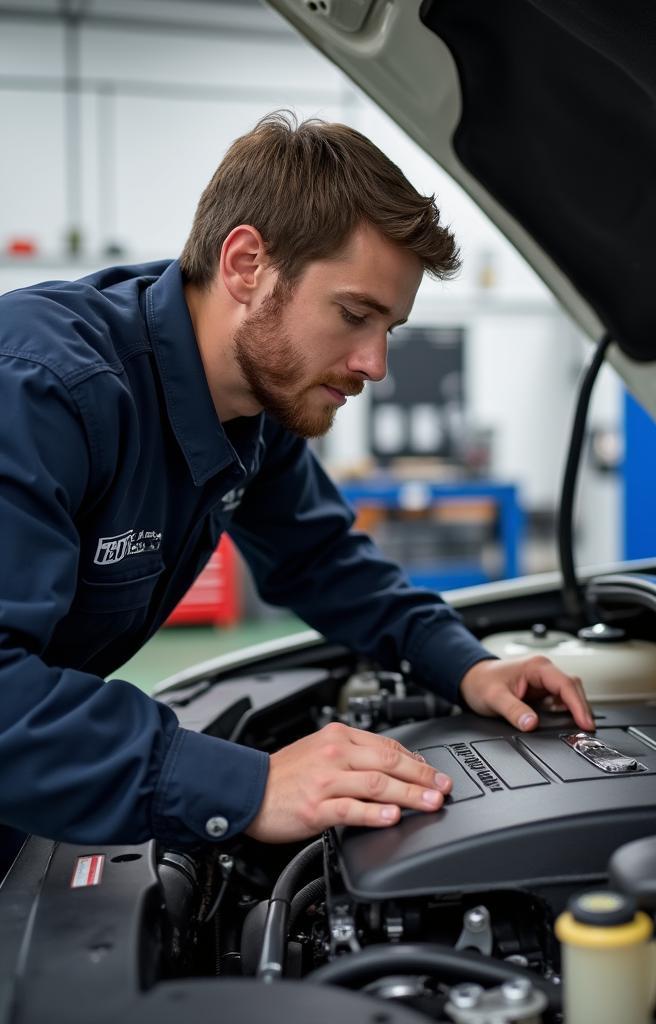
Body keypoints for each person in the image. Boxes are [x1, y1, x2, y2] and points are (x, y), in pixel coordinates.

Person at [0, 112, 594, 865]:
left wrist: (468, 664)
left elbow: (322, 560)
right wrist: (247, 786)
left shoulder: (256, 407)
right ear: (246, 264)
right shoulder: (42, 389)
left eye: (391, 329)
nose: (374, 364)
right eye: (354, 314)